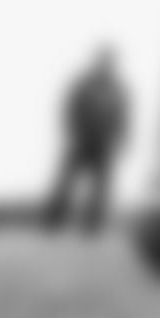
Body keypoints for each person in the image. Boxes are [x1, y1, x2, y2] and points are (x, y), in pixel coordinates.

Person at [43, 45, 131, 234]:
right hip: (81, 138)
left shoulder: (118, 88)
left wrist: (122, 138)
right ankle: (53, 220)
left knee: (100, 187)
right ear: (97, 60)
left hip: (104, 142)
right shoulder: (83, 82)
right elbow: (69, 106)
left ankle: (92, 225)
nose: (106, 64)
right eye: (104, 59)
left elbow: (123, 115)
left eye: (110, 60)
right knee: (65, 182)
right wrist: (73, 132)